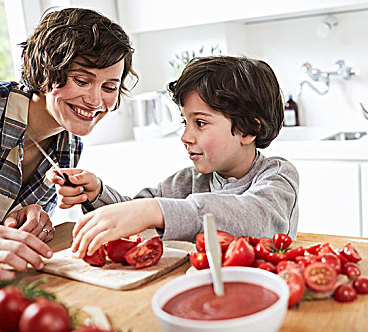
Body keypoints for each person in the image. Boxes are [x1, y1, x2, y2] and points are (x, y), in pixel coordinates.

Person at [50, 56, 299, 259]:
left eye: (200, 123)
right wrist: (97, 193)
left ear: (248, 130)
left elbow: (255, 220)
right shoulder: (187, 181)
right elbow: (134, 213)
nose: (185, 136)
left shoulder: (277, 175)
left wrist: (153, 210)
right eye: (185, 122)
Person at [0, 8, 137, 279]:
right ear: (44, 73)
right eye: (82, 80)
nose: (96, 101)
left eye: (109, 87)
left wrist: (29, 222)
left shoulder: (68, 147)